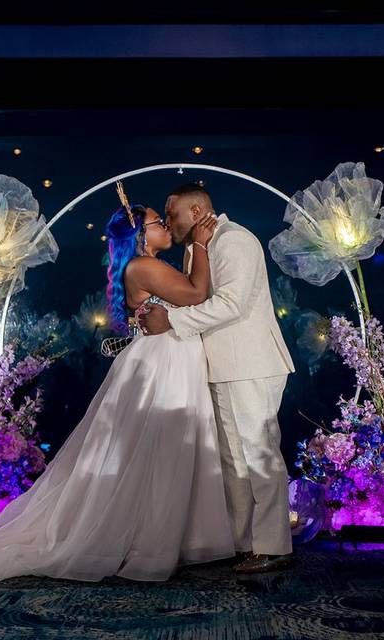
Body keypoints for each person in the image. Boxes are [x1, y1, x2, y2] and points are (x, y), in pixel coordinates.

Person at [0, 184, 233, 586]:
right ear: (140, 236)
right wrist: (201, 243)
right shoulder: (144, 267)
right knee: (158, 449)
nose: (166, 226)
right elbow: (199, 294)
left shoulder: (147, 266)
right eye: (156, 222)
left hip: (164, 361)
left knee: (156, 450)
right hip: (162, 365)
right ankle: (149, 540)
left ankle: (163, 534)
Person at [139, 183, 296, 574]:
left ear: (195, 213)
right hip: (221, 366)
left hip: (250, 364)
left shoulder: (236, 240)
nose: (167, 221)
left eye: (171, 213)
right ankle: (245, 545)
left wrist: (171, 321)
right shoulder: (201, 247)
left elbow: (231, 304)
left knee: (259, 453)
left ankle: (274, 545)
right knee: (233, 461)